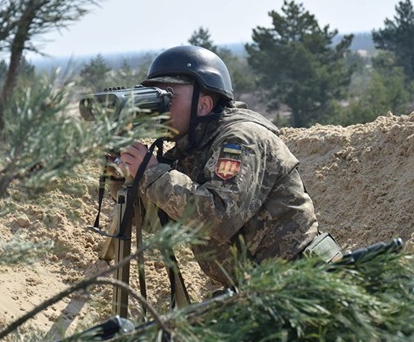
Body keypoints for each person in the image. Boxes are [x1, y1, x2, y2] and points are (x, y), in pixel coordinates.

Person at [112, 45, 340, 287]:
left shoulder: (241, 139)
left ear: (204, 105)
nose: (161, 107)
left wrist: (153, 174)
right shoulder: (191, 148)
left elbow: (219, 217)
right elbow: (156, 221)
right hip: (260, 288)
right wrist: (123, 175)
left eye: (169, 95)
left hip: (303, 282)